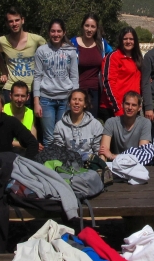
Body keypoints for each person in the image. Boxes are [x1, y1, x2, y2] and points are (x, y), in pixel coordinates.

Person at [33, 19, 79, 147]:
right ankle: (48, 166)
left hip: (65, 99)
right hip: (47, 99)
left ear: (64, 32)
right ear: (49, 33)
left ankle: (60, 165)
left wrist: (74, 99)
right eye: (53, 31)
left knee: (62, 136)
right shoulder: (41, 51)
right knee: (49, 138)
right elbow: (37, 77)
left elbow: (75, 77)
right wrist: (37, 102)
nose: (56, 34)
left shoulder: (71, 51)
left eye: (59, 31)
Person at [0, 6, 46, 103]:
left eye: (17, 20)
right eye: (11, 21)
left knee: (31, 118)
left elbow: (48, 54)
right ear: (7, 24)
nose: (14, 24)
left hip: (31, 89)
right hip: (10, 88)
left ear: (22, 20)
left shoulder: (36, 40)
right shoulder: (2, 41)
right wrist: (4, 71)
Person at [70, 13, 113, 118]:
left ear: (97, 28)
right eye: (87, 26)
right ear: (82, 26)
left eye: (93, 26)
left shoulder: (102, 45)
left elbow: (114, 57)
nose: (89, 29)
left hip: (95, 91)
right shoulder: (72, 43)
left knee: (91, 123)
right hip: (77, 91)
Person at [101, 26, 144, 118]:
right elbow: (108, 83)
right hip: (115, 109)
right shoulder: (113, 57)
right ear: (121, 40)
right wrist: (117, 110)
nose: (128, 41)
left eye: (131, 39)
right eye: (125, 39)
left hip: (132, 107)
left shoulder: (137, 59)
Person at [99, 91, 152, 159]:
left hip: (136, 165)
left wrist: (112, 156)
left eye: (134, 105)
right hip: (115, 164)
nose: (130, 107)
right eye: (127, 104)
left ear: (139, 108)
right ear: (122, 105)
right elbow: (103, 151)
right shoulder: (111, 122)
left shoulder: (145, 123)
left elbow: (142, 154)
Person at [52, 88, 104, 157]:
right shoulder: (60, 125)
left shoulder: (95, 125)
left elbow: (98, 150)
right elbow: (58, 150)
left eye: (80, 100)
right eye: (74, 99)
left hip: (89, 163)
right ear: (69, 103)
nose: (77, 102)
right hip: (67, 163)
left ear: (85, 104)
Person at [3, 81, 38, 148]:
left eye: (23, 96)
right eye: (16, 95)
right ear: (10, 96)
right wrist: (26, 144)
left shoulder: (30, 113)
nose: (19, 99)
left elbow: (34, 139)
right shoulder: (3, 110)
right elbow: (1, 139)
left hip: (24, 153)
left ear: (27, 97)